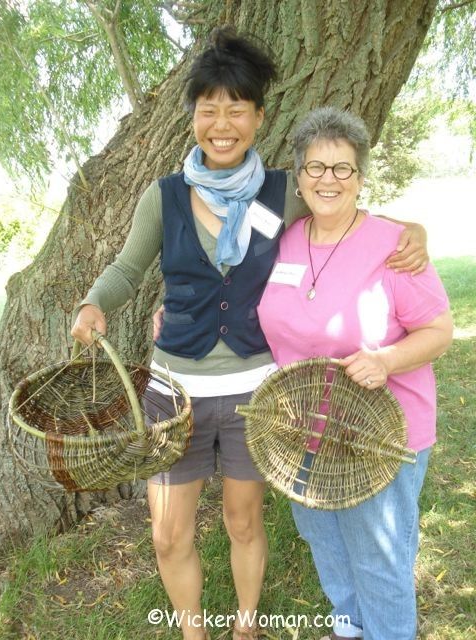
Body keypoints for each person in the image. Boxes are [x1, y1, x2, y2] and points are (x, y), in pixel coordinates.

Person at [71, 29, 428, 640]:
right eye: (208, 107)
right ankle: (192, 631)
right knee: (166, 531)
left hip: (255, 392)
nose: (222, 122)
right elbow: (127, 270)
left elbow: (347, 214)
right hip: (173, 390)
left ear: (259, 116)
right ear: (192, 117)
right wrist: (92, 303)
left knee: (243, 520)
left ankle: (244, 627)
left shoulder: (283, 191)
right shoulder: (164, 197)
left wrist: (411, 227)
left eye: (237, 107)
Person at [257, 106, 453, 640]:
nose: (329, 179)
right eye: (316, 167)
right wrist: (176, 312)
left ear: (360, 178)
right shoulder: (283, 240)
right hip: (303, 430)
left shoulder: (396, 247)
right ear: (299, 178)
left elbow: (439, 330)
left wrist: (386, 360)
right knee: (323, 536)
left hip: (380, 436)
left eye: (342, 168)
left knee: (377, 556)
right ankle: (350, 628)